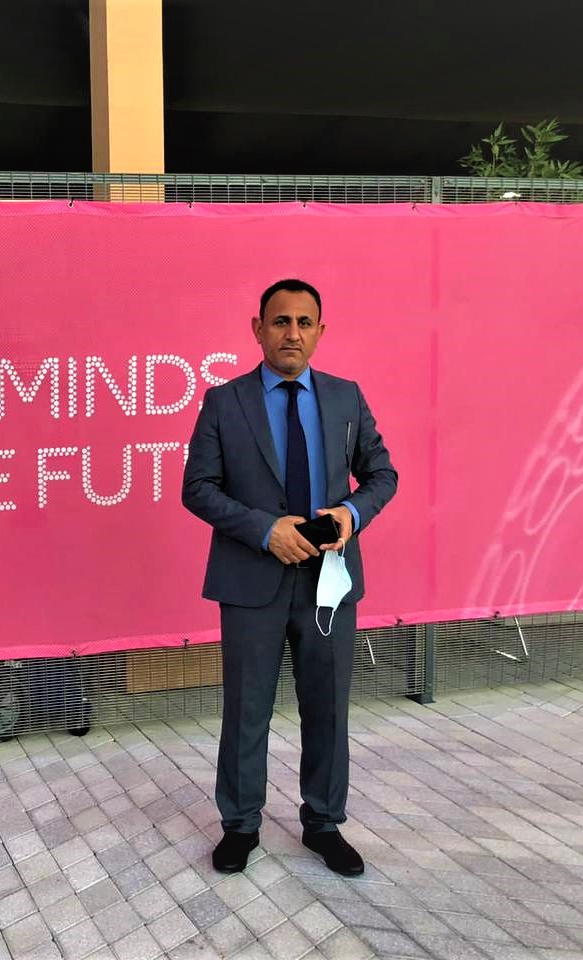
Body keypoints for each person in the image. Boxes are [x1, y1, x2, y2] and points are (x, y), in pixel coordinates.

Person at [181, 278, 398, 876]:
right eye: (281, 322)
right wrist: (264, 530)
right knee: (246, 707)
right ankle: (240, 825)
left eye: (304, 322)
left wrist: (351, 513)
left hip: (329, 581)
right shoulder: (224, 402)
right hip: (251, 580)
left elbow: (382, 475)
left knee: (327, 707)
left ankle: (323, 823)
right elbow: (197, 488)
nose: (292, 333)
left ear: (320, 332)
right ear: (259, 329)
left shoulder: (346, 398)